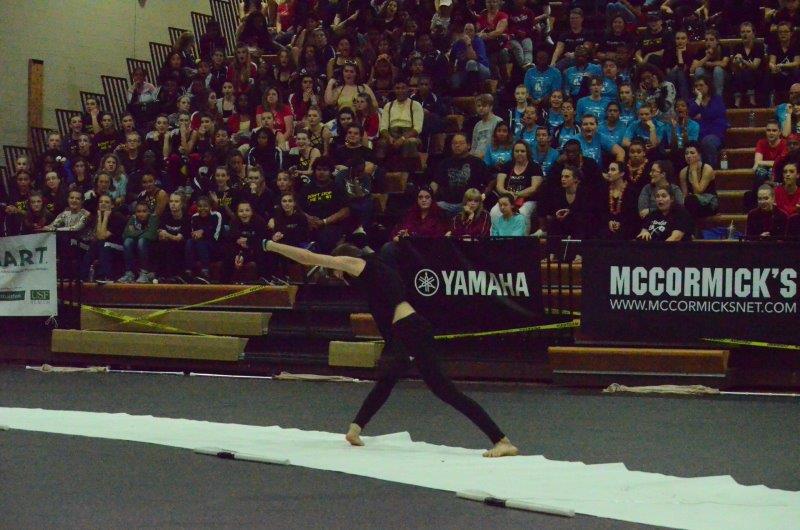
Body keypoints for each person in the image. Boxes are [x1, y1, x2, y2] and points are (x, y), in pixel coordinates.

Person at [260, 239, 518, 458]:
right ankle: (355, 428)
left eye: (335, 269)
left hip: (411, 330)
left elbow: (307, 258)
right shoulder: (377, 268)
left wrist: (270, 245)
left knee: (444, 390)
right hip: (403, 333)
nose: (336, 275)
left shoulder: (359, 264)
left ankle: (501, 440)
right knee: (387, 378)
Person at [431, 134, 491, 216]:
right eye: (454, 143)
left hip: (468, 204)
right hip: (445, 204)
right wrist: (429, 195)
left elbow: (490, 181)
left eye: (461, 143)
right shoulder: (444, 163)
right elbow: (435, 182)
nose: (457, 145)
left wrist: (482, 196)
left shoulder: (477, 163)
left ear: (468, 145)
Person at [490, 140, 542, 231]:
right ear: (513, 153)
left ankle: (522, 238)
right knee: (494, 212)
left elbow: (534, 188)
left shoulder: (534, 167)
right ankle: (497, 236)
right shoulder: (507, 166)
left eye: (522, 151)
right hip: (507, 198)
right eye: (517, 151)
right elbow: (499, 186)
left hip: (527, 200)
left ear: (527, 152)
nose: (519, 153)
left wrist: (517, 194)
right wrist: (509, 195)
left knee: (522, 213)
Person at [688, 75, 728, 169]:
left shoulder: (717, 99)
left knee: (707, 142)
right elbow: (690, 114)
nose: (698, 88)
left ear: (708, 86)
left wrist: (701, 115)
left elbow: (714, 113)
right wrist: (699, 98)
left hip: (715, 134)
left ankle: (710, 171)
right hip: (698, 135)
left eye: (701, 85)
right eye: (696, 86)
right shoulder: (693, 101)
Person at [118, 201, 159, 284]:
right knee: (127, 241)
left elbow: (151, 235)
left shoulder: (153, 218)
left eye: (144, 211)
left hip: (151, 246)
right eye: (139, 211)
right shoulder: (133, 218)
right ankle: (130, 274)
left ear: (149, 212)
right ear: (135, 213)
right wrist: (144, 231)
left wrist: (135, 233)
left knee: (141, 241)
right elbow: (125, 234)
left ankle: (144, 273)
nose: (141, 214)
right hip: (136, 245)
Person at [679, 143, 718, 219]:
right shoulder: (683, 172)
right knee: (688, 202)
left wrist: (693, 171)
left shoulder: (707, 169)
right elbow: (684, 194)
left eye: (692, 153)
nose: (688, 156)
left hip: (709, 202)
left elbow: (698, 191)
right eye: (686, 153)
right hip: (692, 202)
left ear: (699, 155)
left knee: (691, 201)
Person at [602, 161, 639, 239]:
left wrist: (621, 223)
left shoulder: (631, 190)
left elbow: (632, 214)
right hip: (607, 226)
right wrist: (609, 221)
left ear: (622, 173)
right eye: (609, 170)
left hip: (626, 226)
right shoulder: (604, 189)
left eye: (613, 170)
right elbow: (602, 211)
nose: (609, 172)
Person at [470, 94, 503, 158]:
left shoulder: (498, 121)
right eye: (479, 106)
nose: (481, 108)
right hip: (477, 158)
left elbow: (500, 144)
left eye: (484, 105)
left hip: (491, 157)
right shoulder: (477, 125)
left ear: (490, 107)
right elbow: (473, 147)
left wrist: (485, 155)